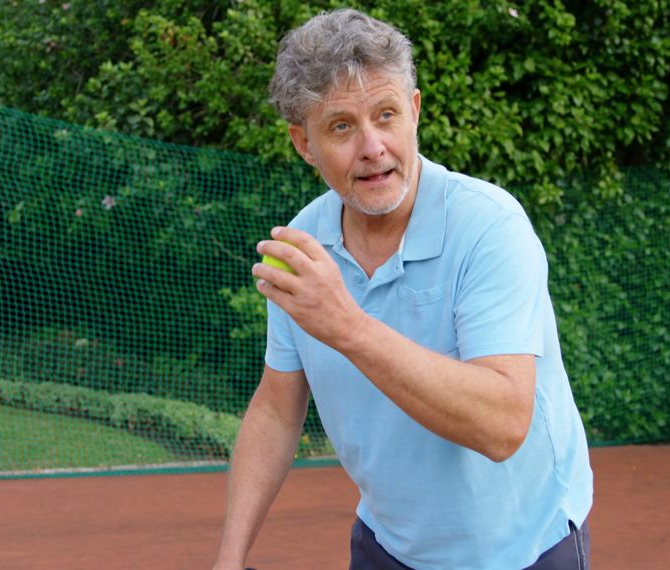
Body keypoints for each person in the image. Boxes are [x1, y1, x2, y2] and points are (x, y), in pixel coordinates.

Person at [215, 8, 593, 570]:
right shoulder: (307, 246)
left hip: (522, 547)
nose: (373, 147)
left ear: (414, 113)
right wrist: (230, 557)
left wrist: (348, 326)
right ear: (303, 143)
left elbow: (503, 426)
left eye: (386, 114)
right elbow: (275, 407)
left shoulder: (490, 226)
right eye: (341, 126)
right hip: (389, 544)